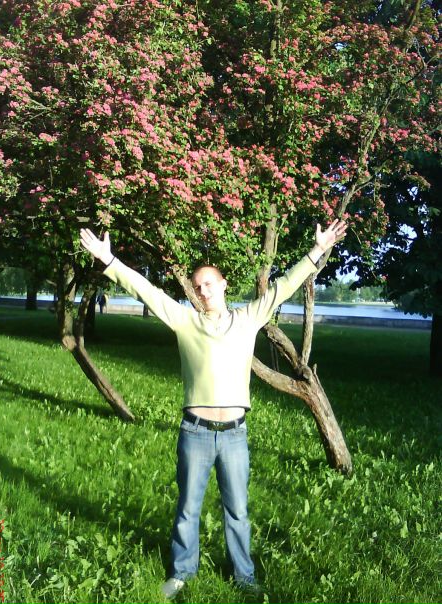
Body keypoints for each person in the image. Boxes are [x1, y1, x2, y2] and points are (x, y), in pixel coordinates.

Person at [79, 219, 347, 599]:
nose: (203, 291)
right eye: (197, 286)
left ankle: (244, 576)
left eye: (209, 284)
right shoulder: (185, 321)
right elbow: (146, 291)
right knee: (188, 508)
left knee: (237, 510)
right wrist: (109, 261)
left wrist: (317, 251)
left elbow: (283, 287)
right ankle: (182, 572)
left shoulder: (248, 319)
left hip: (235, 434)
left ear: (223, 285)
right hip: (196, 432)